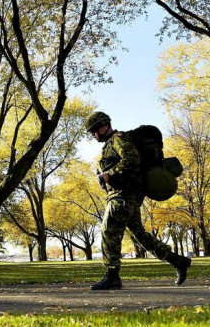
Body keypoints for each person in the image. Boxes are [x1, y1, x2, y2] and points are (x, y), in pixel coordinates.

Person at [85, 111, 191, 290]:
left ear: (104, 126)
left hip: (123, 195)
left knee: (109, 230)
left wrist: (109, 174)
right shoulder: (111, 143)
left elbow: (132, 158)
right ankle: (177, 261)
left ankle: (112, 276)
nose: (94, 135)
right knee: (138, 235)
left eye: (94, 130)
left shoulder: (118, 139)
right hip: (128, 194)